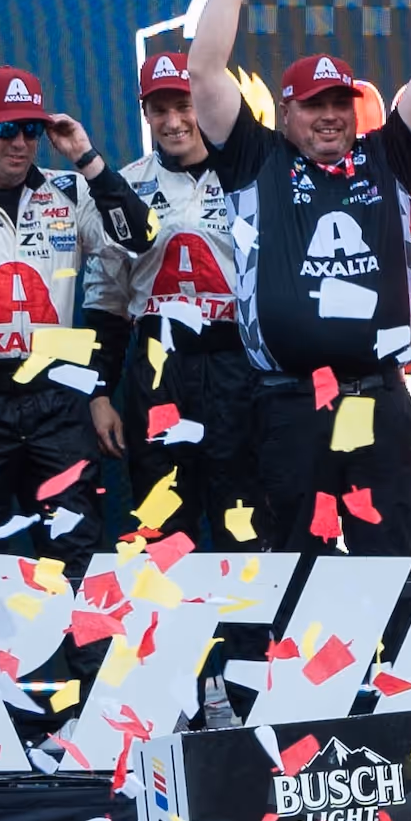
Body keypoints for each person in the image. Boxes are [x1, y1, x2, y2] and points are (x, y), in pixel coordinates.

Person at [182, 0, 411, 553]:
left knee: (385, 565)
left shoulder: (390, 157)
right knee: (296, 574)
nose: (330, 115)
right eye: (314, 104)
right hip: (288, 404)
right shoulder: (256, 159)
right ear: (288, 112)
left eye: (340, 101)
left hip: (375, 400)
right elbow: (203, 73)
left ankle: (388, 658)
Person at [0, 64, 142, 556]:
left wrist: (88, 160)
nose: (20, 143)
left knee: (74, 547)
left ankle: (78, 637)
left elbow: (139, 238)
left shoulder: (68, 191)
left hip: (55, 399)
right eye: (6, 128)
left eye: (31, 129)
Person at [110, 51, 264, 549]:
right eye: (160, 110)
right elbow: (105, 298)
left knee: (240, 512)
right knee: (160, 516)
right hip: (159, 368)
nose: (174, 122)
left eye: (185, 105)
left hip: (236, 363)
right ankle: (167, 629)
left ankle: (244, 631)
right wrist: (96, 393)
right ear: (147, 115)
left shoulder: (251, 176)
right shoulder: (127, 184)